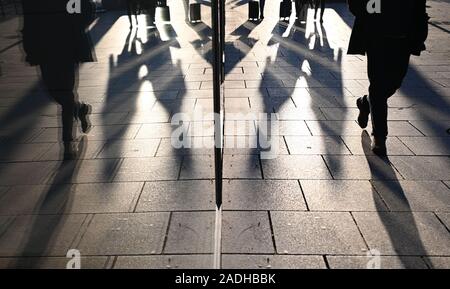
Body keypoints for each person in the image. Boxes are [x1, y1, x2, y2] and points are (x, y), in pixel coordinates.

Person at [347, 0, 428, 155]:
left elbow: (418, 6)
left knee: (394, 83)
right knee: (378, 86)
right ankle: (379, 137)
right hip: (376, 38)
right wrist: (385, 6)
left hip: (404, 39)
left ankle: (365, 103)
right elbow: (356, 5)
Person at [21, 0, 95, 159]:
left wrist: (74, 27)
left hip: (66, 45)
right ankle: (80, 108)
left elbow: (84, 7)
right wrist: (29, 47)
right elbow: (29, 20)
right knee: (54, 93)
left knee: (66, 93)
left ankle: (68, 142)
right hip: (44, 48)